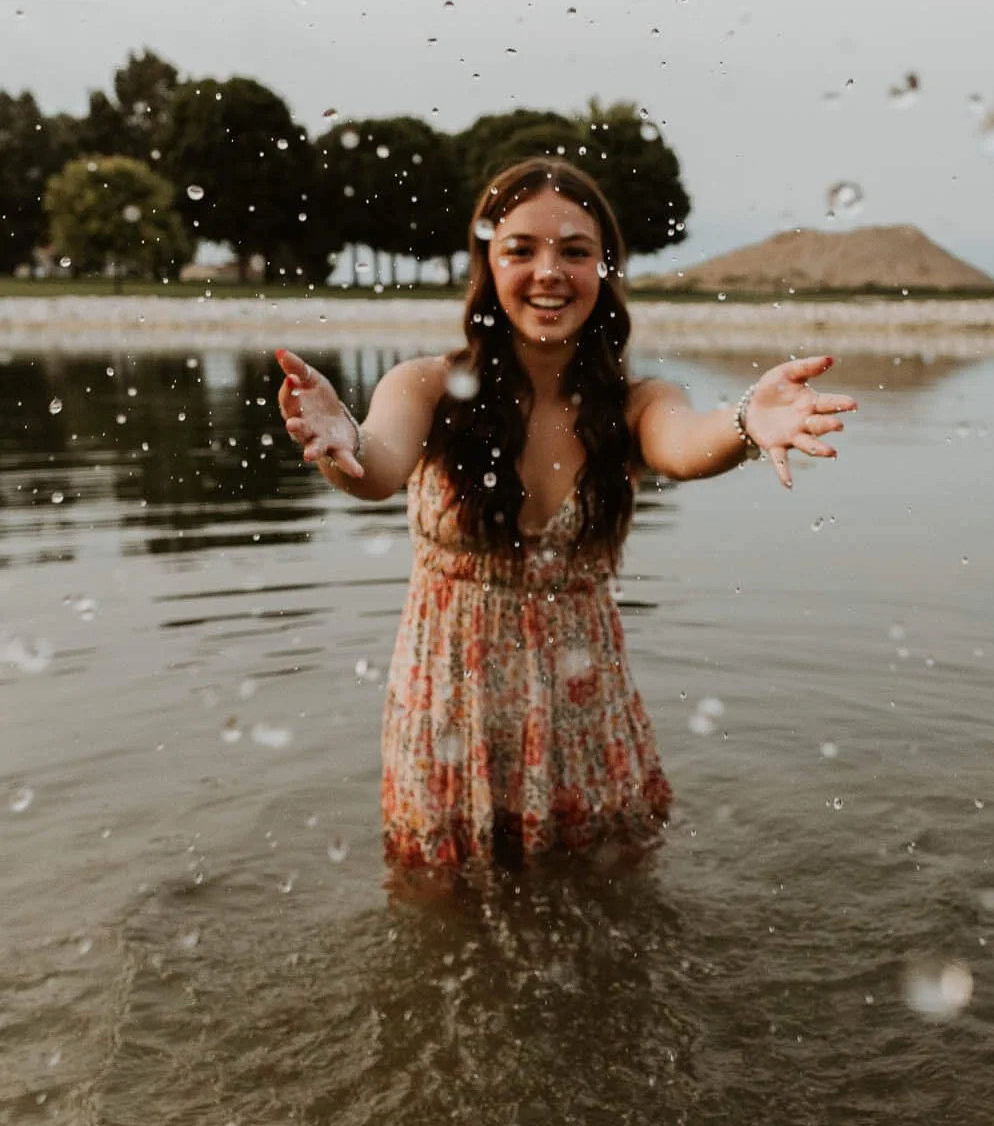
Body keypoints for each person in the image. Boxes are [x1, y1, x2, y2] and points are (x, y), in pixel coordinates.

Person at [277, 157, 855, 872]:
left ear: (604, 271)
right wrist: (340, 444)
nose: (549, 271)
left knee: (605, 892)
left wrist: (743, 421)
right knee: (436, 906)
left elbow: (683, 445)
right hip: (449, 711)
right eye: (520, 250)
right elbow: (376, 463)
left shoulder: (638, 403)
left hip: (584, 709)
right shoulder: (426, 385)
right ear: (487, 266)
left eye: (575, 252)